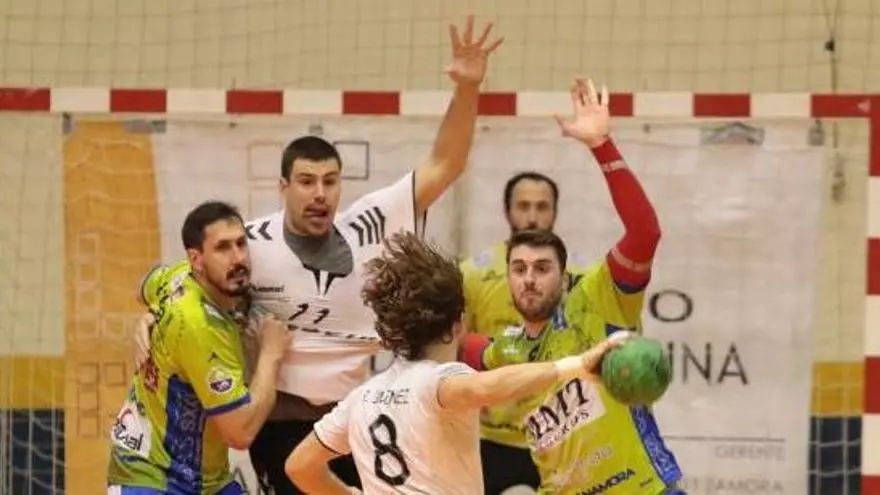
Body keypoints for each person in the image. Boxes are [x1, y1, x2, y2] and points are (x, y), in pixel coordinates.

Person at [131, 16, 504, 494]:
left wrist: (468, 88)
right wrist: (149, 315)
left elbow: (445, 163)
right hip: (281, 423)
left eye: (329, 181)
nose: (319, 194)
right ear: (283, 186)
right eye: (306, 182)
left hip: (352, 417)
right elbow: (181, 284)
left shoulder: (370, 223)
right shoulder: (251, 243)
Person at [459, 79, 682, 494]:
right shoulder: (508, 349)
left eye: (542, 268)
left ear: (563, 277)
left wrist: (602, 145)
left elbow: (645, 233)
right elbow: (462, 347)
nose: (529, 278)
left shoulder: (598, 298)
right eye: (519, 268)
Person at [283, 232, 625, 494]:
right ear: (458, 324)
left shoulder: (361, 398)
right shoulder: (439, 380)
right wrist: (577, 366)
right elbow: (484, 387)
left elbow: (299, 466)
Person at [107, 201, 292, 494]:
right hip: (152, 476)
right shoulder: (201, 326)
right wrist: (271, 354)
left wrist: (154, 312)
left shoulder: (179, 274)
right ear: (197, 259)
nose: (238, 258)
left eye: (241, 244)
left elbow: (142, 286)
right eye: (222, 248)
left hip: (206, 479)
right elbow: (240, 432)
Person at [460, 171, 579, 493]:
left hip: (561, 437)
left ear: (555, 211)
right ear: (507, 211)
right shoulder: (473, 273)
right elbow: (455, 346)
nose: (532, 217)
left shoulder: (579, 277)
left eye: (542, 206)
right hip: (491, 438)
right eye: (523, 206)